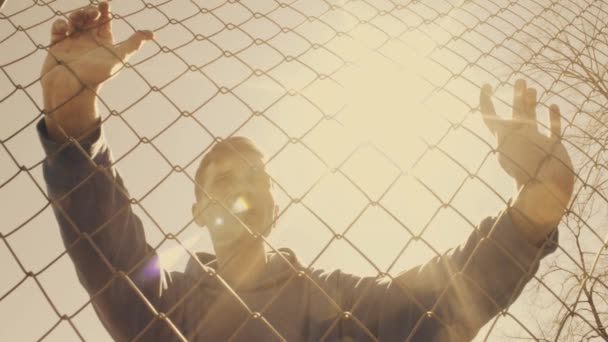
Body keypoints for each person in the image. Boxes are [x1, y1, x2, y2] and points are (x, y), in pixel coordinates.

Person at [38, 3, 575, 341]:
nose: (244, 194)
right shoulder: (169, 302)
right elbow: (112, 256)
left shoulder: (331, 299)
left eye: (257, 181)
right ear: (198, 209)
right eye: (224, 182)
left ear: (276, 208)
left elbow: (434, 304)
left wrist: (532, 215)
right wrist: (74, 127)